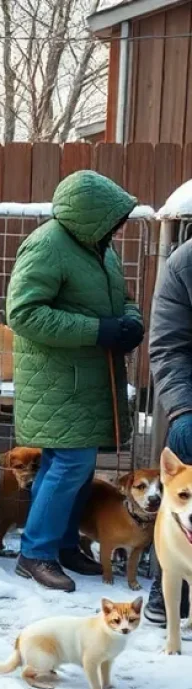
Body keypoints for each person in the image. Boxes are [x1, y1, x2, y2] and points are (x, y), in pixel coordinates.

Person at [6, 170, 143, 592]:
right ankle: (36, 553)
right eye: (114, 217)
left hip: (87, 380)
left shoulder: (99, 247)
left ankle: (63, 546)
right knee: (69, 464)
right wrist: (97, 330)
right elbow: (23, 313)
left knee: (73, 469)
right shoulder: (48, 245)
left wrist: (130, 323)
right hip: (59, 381)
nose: (120, 225)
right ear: (90, 215)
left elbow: (124, 300)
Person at [147, 237, 192, 624]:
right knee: (184, 439)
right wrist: (183, 408)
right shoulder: (185, 263)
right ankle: (169, 588)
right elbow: (169, 347)